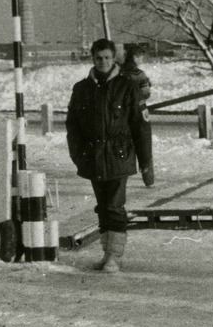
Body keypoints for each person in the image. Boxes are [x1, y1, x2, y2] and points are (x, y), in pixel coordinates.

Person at [66, 38, 152, 273]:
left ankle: (114, 256)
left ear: (114, 59)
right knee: (103, 206)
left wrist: (146, 164)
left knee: (114, 206)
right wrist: (78, 155)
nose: (103, 62)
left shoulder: (128, 87)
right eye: (98, 58)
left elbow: (141, 128)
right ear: (92, 59)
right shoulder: (81, 89)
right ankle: (107, 254)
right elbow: (72, 126)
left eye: (107, 57)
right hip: (93, 157)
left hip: (119, 156)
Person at [121, 45, 155, 187]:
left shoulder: (120, 72)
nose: (142, 59)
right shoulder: (139, 74)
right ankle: (148, 178)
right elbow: (146, 93)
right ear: (135, 57)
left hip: (122, 112)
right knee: (144, 142)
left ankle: (122, 176)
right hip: (139, 111)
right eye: (141, 56)